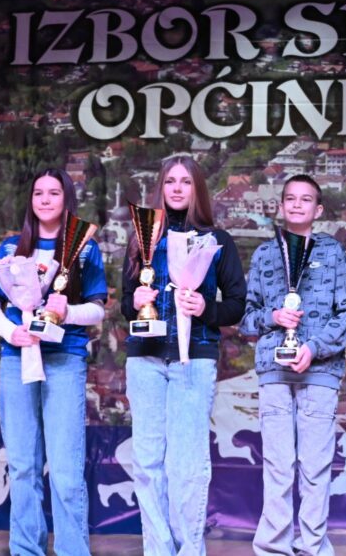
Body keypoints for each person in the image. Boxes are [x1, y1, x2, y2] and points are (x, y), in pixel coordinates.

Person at [121, 155, 247, 556]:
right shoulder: (141, 238)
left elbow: (237, 305)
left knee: (186, 465)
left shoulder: (217, 240)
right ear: (160, 187)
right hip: (145, 360)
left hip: (194, 360)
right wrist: (134, 301)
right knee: (147, 462)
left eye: (186, 182)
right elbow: (126, 303)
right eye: (170, 181)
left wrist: (205, 309)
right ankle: (158, 549)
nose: (177, 188)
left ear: (198, 190)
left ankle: (189, 550)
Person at [0, 168, 107, 556]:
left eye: (54, 192)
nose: (45, 199)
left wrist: (67, 312)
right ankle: (25, 550)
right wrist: (10, 333)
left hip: (64, 360)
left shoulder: (85, 248)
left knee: (66, 471)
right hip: (17, 359)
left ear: (67, 199)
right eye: (39, 193)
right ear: (31, 200)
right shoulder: (11, 248)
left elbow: (98, 310)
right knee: (22, 466)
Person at [239, 174, 346, 556]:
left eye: (306, 199)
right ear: (281, 206)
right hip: (274, 370)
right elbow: (246, 319)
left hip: (320, 371)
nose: (297, 204)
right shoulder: (264, 254)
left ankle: (312, 548)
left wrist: (315, 347)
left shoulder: (333, 252)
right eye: (290, 198)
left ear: (318, 210)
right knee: (278, 465)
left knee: (314, 466)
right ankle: (273, 549)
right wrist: (272, 317)